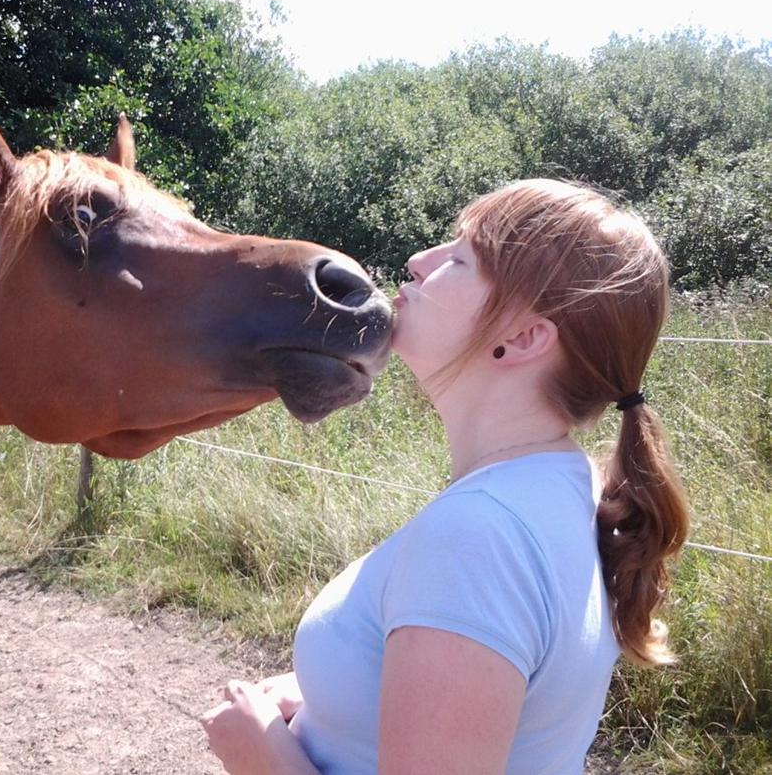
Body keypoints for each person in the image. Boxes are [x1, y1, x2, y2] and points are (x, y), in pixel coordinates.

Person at [201, 179, 690, 775]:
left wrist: (259, 754)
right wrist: (333, 697)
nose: (418, 261)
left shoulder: (478, 534)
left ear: (524, 336)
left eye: (459, 258)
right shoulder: (563, 486)